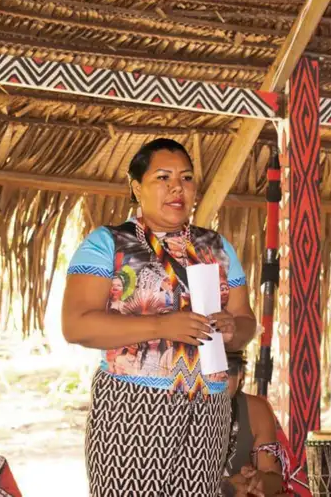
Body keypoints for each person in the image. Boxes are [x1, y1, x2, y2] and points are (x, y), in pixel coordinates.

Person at [62, 138, 257, 496]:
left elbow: (246, 323)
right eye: (162, 177)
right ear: (137, 187)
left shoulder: (217, 248)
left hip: (208, 406)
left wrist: (233, 328)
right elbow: (76, 325)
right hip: (133, 405)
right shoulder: (109, 243)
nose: (176, 188)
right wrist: (160, 326)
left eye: (186, 178)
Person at [221, 351, 288, 497]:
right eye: (208, 369)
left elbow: (275, 480)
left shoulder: (256, 410)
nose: (219, 376)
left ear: (240, 373)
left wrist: (258, 480)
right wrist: (226, 489)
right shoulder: (172, 411)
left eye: (228, 368)